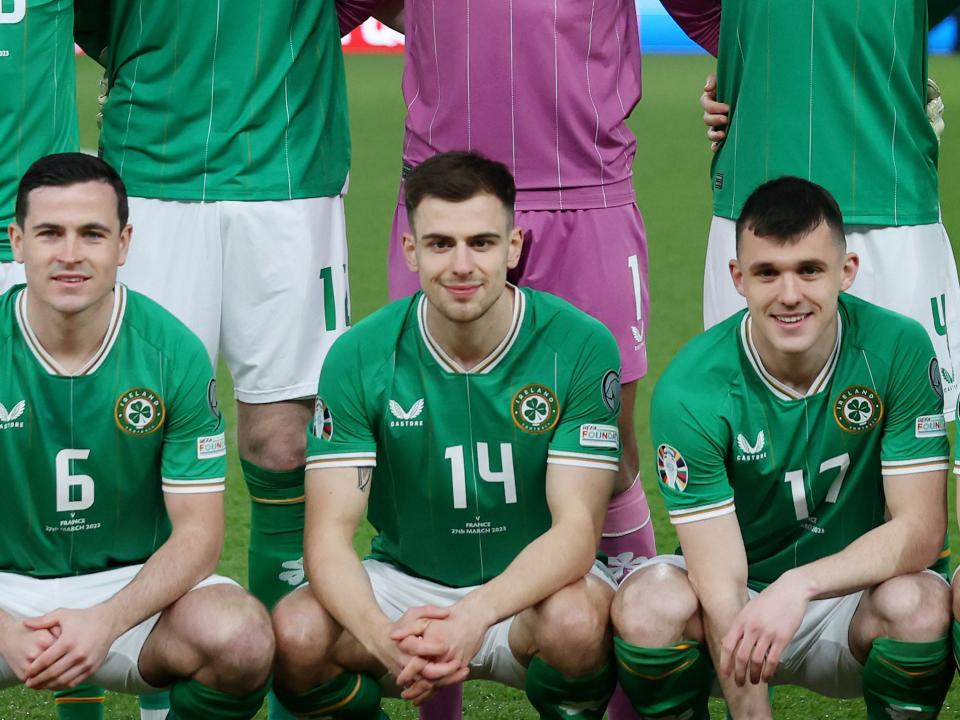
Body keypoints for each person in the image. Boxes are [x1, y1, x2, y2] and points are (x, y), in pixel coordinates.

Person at [72, 3, 353, 716]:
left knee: (287, 443)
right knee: (131, 435)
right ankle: (157, 693)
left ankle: (296, 685)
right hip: (152, 172)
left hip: (291, 175)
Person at [270, 151, 621, 719]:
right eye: (439, 244)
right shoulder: (359, 354)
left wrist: (474, 615)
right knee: (297, 632)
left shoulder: (579, 345)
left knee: (576, 625)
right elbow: (329, 540)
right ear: (411, 252)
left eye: (481, 243)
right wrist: (385, 638)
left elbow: (577, 533)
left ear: (514, 247)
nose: (461, 265)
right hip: (407, 583)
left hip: (533, 592)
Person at [612, 177, 953, 719]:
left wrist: (800, 584)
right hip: (738, 603)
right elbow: (721, 584)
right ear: (738, 277)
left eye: (809, 270)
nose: (789, 294)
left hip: (852, 597)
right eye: (767, 272)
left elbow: (921, 530)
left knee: (919, 604)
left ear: (847, 272)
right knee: (648, 604)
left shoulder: (899, 348)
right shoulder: (692, 386)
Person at [1, 152, 275, 718]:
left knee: (242, 639)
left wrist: (105, 620)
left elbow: (199, 534)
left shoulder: (171, 350)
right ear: (17, 241)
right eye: (50, 233)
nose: (70, 254)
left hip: (131, 593)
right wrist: (5, 630)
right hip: (6, 592)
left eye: (92, 234)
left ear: (123, 244)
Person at [686, 1, 960, 425]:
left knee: (910, 431)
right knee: (753, 434)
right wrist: (748, 55)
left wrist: (892, 53)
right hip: (756, 198)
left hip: (890, 198)